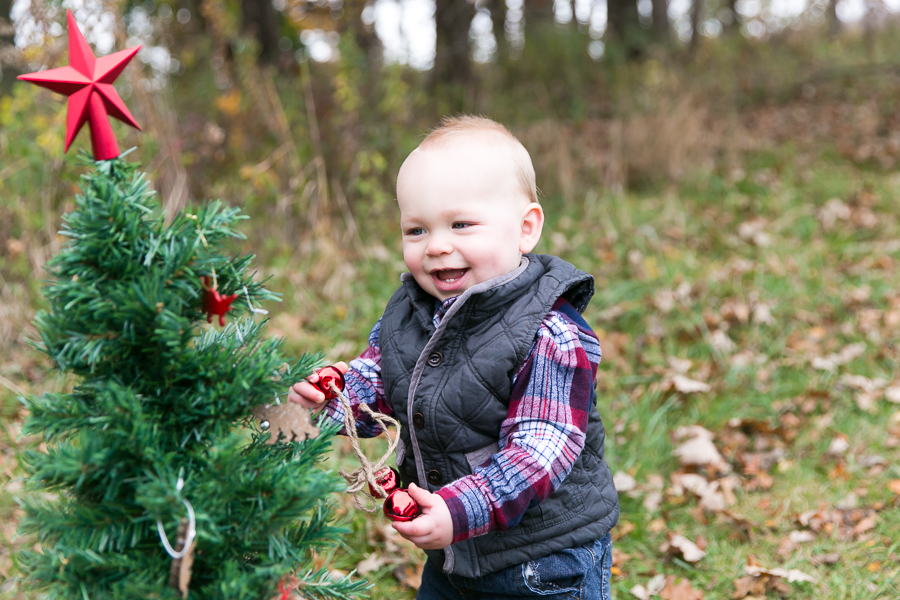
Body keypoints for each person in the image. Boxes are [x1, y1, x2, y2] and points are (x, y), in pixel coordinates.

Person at [288, 115, 619, 599]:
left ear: (525, 229)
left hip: (543, 561)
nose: (438, 246)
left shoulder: (551, 332)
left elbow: (539, 451)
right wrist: (332, 398)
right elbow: (381, 381)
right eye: (416, 230)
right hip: (455, 557)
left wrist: (461, 510)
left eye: (461, 224)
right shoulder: (410, 313)